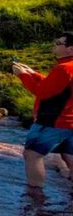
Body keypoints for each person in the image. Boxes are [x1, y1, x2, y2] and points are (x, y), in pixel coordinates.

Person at [12, 32, 73, 188]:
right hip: (69, 122)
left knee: (32, 155)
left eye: (58, 43)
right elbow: (56, 87)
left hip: (53, 121)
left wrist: (22, 75)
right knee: (69, 155)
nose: (54, 45)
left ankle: (35, 196)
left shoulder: (64, 68)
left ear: (70, 49)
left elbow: (42, 93)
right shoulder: (66, 68)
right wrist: (33, 74)